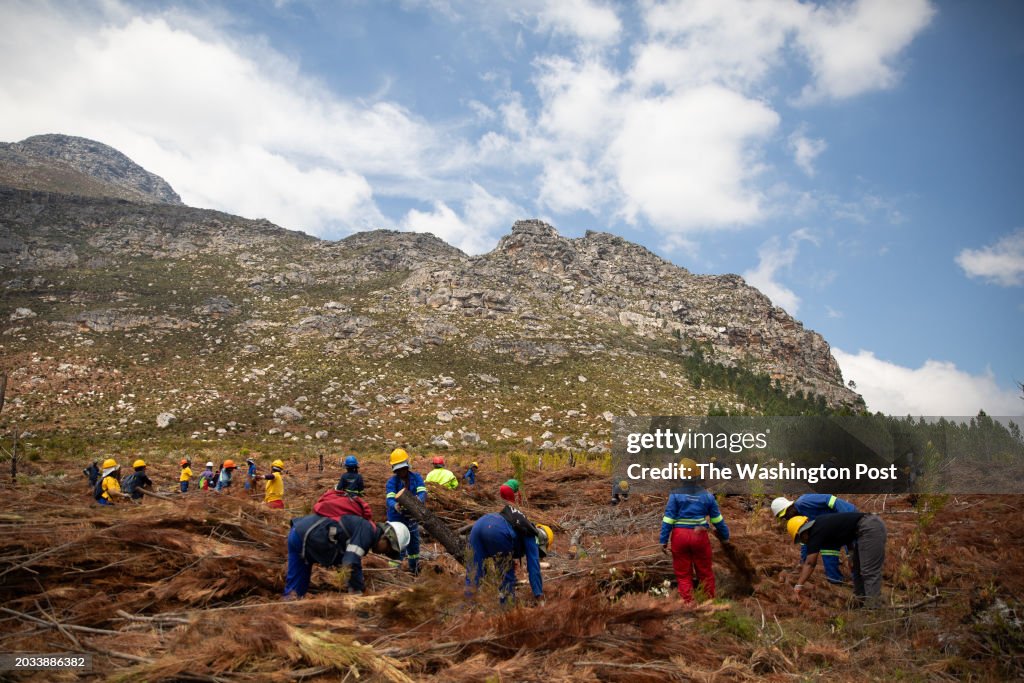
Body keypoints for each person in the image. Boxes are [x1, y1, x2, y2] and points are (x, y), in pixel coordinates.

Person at [284, 514, 410, 598]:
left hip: (299, 532)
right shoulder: (366, 531)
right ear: (385, 537)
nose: (385, 553)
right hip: (305, 538)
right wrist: (358, 593)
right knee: (297, 587)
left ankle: (285, 618)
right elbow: (350, 562)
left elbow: (348, 559)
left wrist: (358, 586)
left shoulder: (364, 530)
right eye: (388, 549)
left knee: (295, 589)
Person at [660, 458, 729, 603]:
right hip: (700, 535)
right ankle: (709, 604)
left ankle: (689, 605)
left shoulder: (675, 495)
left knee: (684, 574)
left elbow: (668, 519)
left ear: (680, 476)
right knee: (705, 573)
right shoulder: (708, 496)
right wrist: (725, 535)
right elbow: (717, 520)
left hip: (680, 536)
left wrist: (663, 540)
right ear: (698, 476)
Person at [788, 512, 887, 607]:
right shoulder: (820, 526)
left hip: (870, 527)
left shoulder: (815, 532)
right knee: (857, 569)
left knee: (869, 571)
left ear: (802, 531)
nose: (803, 542)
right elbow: (847, 532)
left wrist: (798, 586)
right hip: (864, 529)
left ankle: (873, 608)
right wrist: (851, 556)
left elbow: (810, 563)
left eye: (800, 539)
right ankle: (861, 602)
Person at [466, 505, 551, 603]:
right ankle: (506, 610)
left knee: (473, 572)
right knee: (506, 575)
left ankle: (468, 610)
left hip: (478, 525)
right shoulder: (532, 535)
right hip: (496, 530)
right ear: (543, 540)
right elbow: (534, 567)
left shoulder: (521, 524)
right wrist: (538, 594)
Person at [772, 494, 858, 584]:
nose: (786, 518)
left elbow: (832, 500)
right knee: (827, 551)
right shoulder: (800, 518)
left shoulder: (805, 501)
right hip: (830, 532)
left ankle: (861, 584)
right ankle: (835, 581)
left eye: (785, 515)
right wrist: (803, 563)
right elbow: (805, 540)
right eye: (783, 518)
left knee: (855, 555)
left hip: (848, 518)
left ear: (789, 508)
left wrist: (847, 517)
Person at [385, 448, 427, 574]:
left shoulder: (416, 478)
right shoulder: (392, 482)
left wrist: (418, 501)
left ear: (407, 466)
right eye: (398, 469)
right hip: (397, 519)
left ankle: (413, 570)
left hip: (411, 518)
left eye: (403, 468)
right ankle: (393, 572)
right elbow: (390, 498)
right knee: (397, 546)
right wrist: (395, 505)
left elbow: (422, 492)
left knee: (413, 546)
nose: (401, 471)